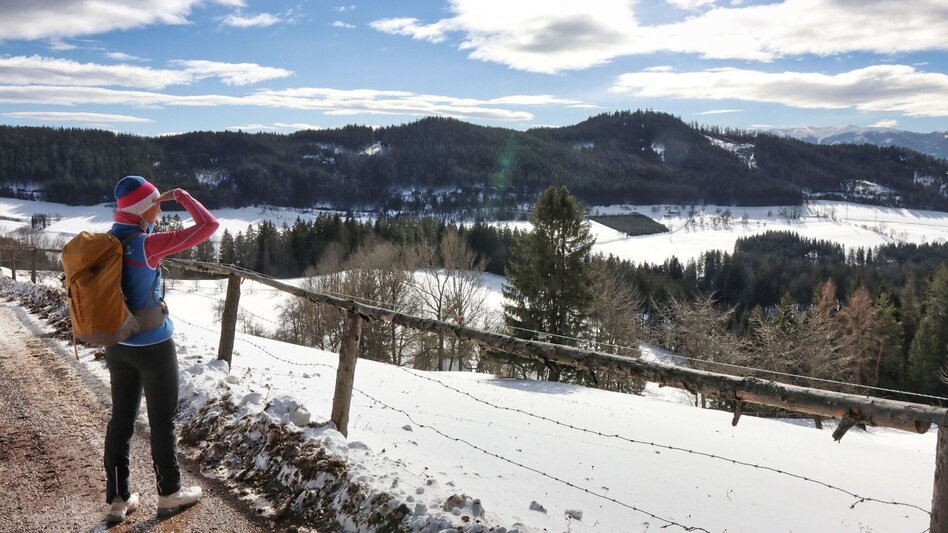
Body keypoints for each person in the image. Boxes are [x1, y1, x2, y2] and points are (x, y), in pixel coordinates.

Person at [103, 175, 219, 523]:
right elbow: (208, 225)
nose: (158, 208)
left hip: (116, 343)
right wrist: (180, 197)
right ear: (143, 209)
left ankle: (117, 500)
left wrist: (152, 202)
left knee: (121, 419)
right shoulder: (146, 245)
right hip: (153, 345)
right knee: (162, 421)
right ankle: (169, 493)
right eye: (154, 203)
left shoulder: (107, 240)